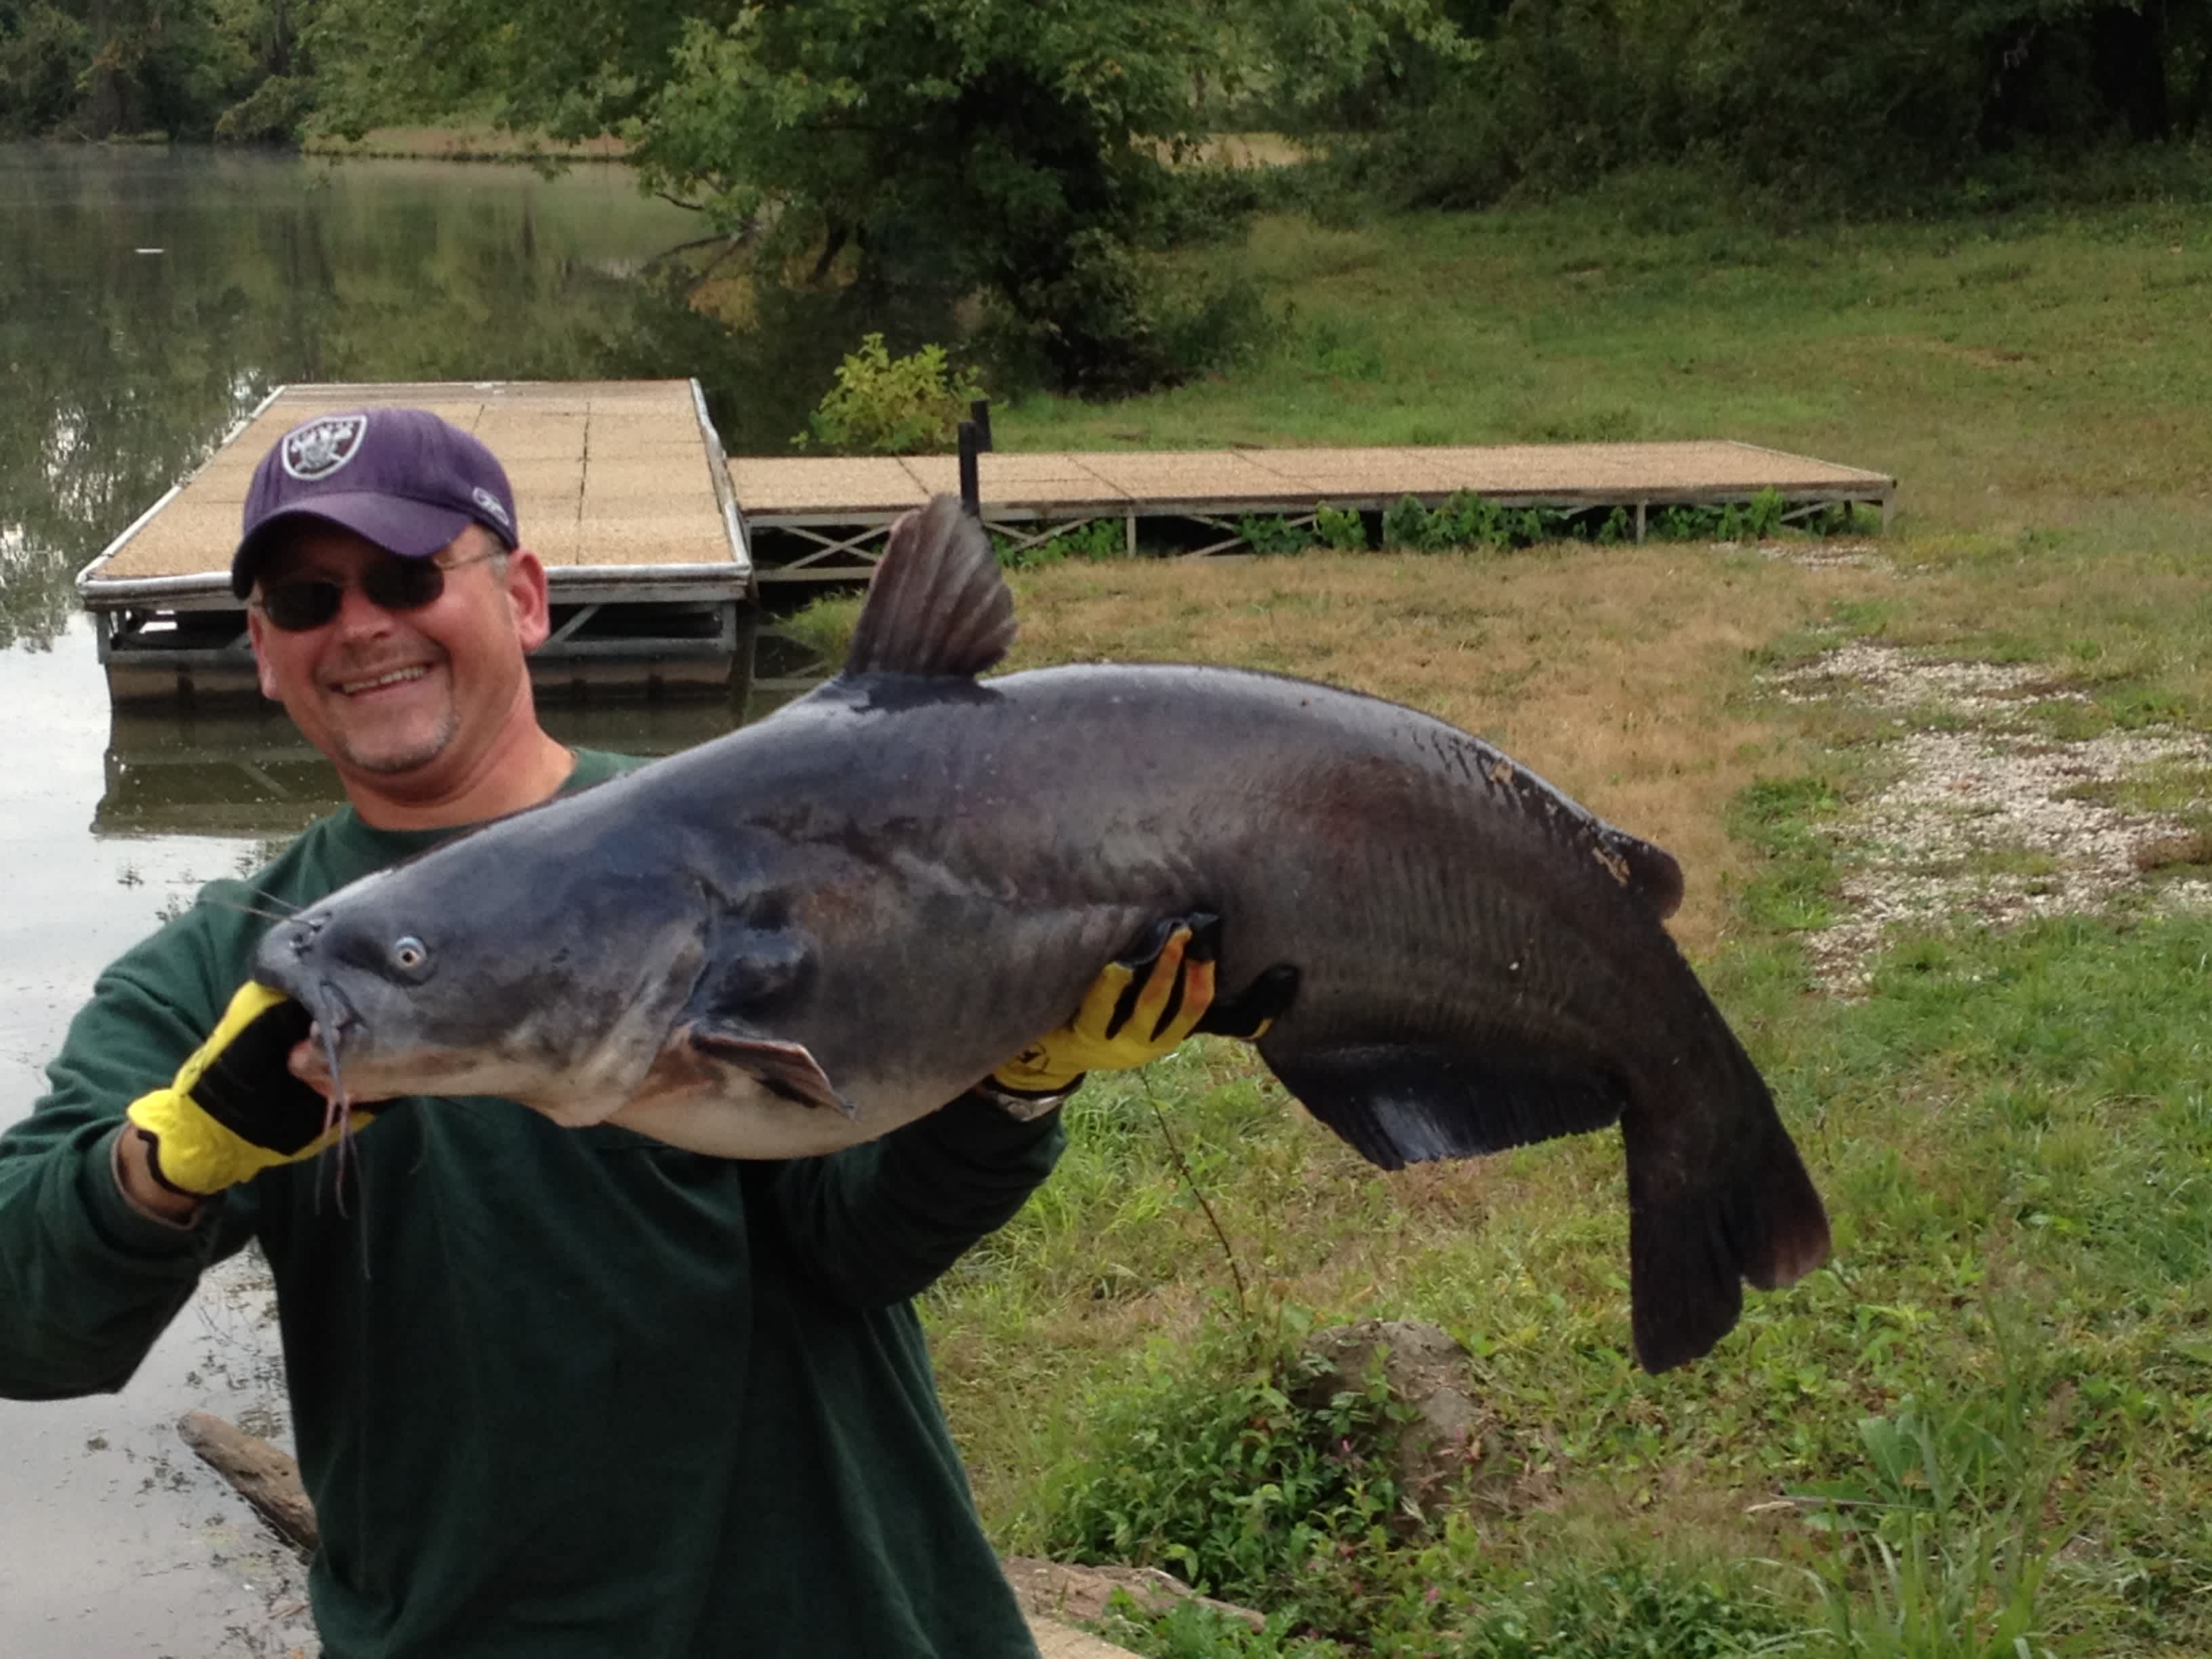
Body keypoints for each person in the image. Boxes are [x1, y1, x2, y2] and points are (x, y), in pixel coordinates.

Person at [0, 407, 1218, 1656]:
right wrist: (165, 1168)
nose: (361, 626)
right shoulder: (244, 967)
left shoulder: (749, 843)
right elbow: (22, 1321)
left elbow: (855, 1249)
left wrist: (1012, 1087)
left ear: (525, 598)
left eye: (410, 576)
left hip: (842, 1612)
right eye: (307, 600)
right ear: (262, 651)